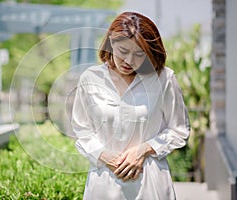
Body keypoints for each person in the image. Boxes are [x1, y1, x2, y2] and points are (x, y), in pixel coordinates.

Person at [71, 11, 190, 200]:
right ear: (111, 43)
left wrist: (143, 150)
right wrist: (103, 155)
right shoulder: (90, 78)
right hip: (103, 181)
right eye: (123, 51)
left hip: (150, 182)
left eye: (139, 54)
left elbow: (179, 129)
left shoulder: (164, 79)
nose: (129, 61)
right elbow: (81, 129)